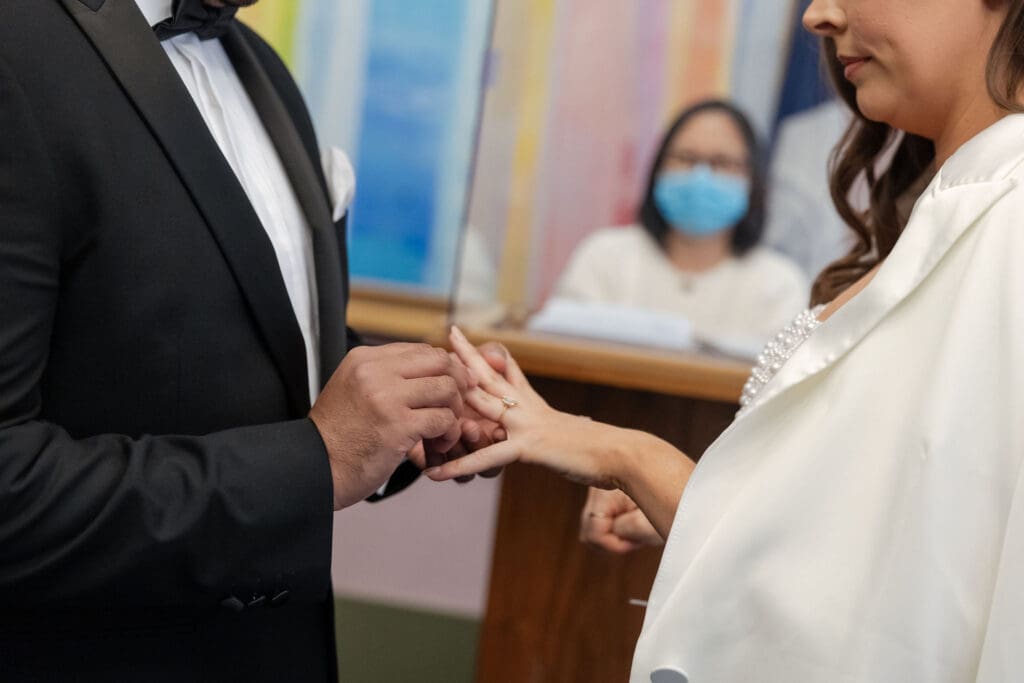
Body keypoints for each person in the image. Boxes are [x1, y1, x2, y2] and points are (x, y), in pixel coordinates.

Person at [427, 0, 1024, 680]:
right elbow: (872, 547)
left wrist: (629, 454)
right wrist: (693, 494)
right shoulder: (962, 208)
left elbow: (910, 614)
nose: (818, 16)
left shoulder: (1010, 226)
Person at [0, 1, 497, 679]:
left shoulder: (263, 70)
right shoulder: (16, 51)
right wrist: (313, 460)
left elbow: (258, 348)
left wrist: (411, 413)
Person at [552, 100, 808, 351]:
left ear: (754, 180)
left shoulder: (780, 285)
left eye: (721, 163)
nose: (700, 177)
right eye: (686, 158)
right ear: (658, 167)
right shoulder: (603, 256)